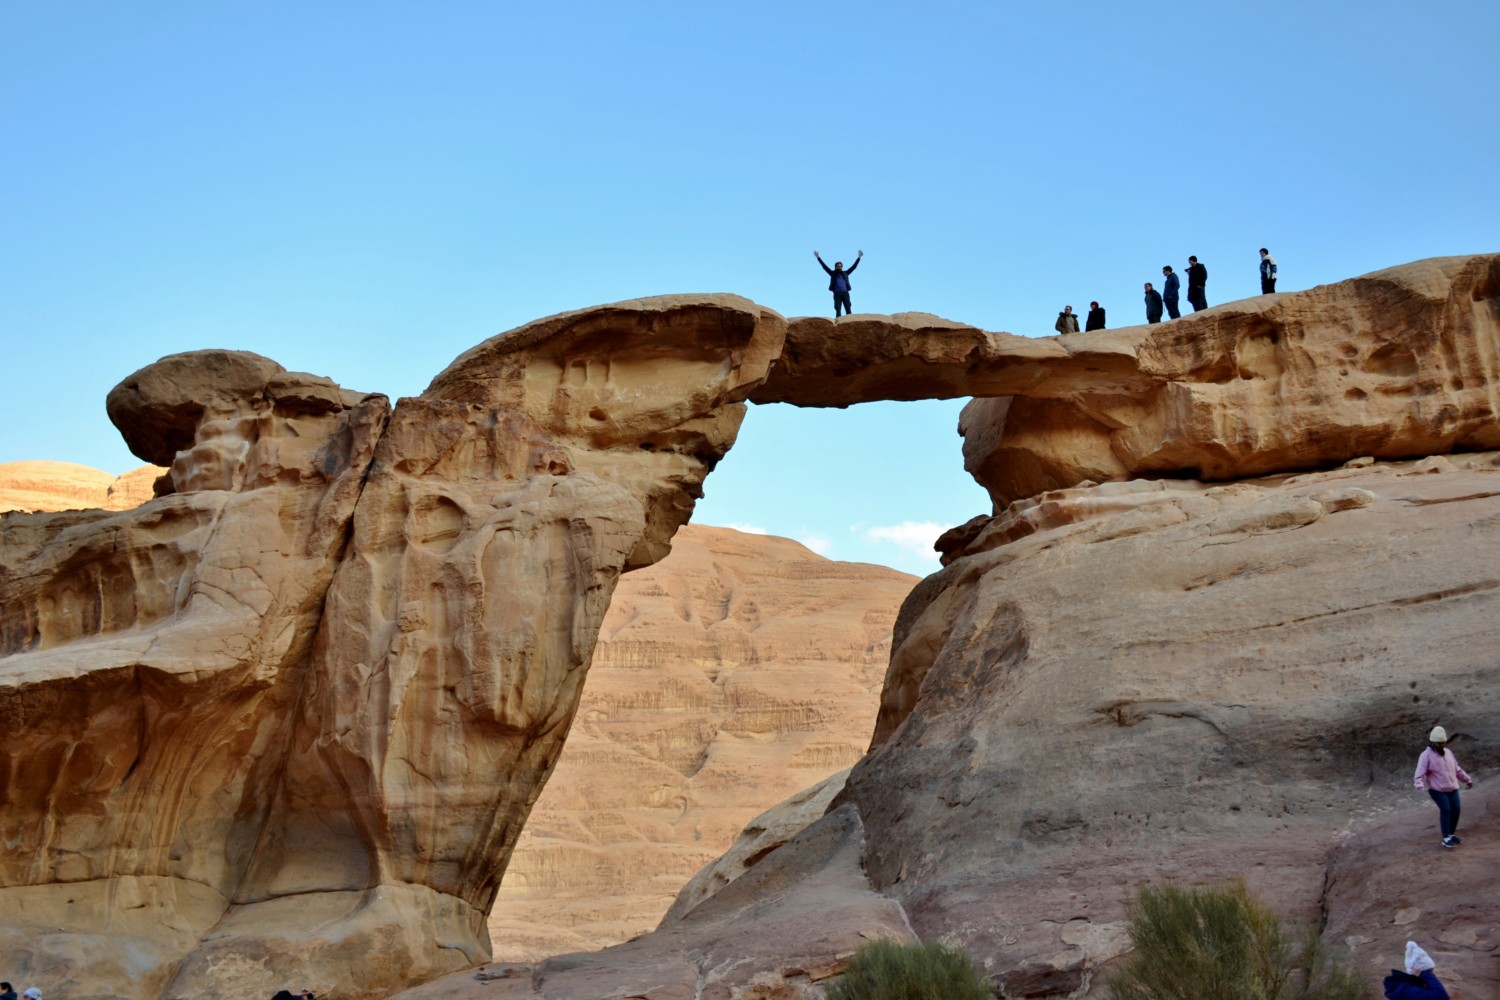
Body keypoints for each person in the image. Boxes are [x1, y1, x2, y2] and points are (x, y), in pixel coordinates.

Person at [1414, 726, 1473, 848]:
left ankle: (1451, 834)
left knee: (1456, 809)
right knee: (1446, 809)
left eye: (1443, 743)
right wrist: (1419, 784)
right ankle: (1446, 838)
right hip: (1437, 789)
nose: (1441, 745)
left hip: (1452, 787)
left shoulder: (1448, 753)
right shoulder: (1426, 755)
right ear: (1433, 742)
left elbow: (1457, 769)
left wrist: (1467, 780)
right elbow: (1419, 772)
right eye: (1439, 743)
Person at [1383, 941, 1449, 1000]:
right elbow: (1441, 996)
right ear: (1418, 971)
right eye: (1430, 971)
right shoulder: (1410, 991)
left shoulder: (1407, 988)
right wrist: (1425, 974)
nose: (1432, 974)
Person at [814, 250, 862, 318]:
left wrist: (859, 257)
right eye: (838, 266)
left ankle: (850, 320)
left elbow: (853, 267)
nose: (839, 267)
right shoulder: (832, 274)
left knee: (848, 308)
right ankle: (838, 321)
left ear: (842, 267)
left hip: (845, 293)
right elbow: (824, 267)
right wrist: (818, 257)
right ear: (835, 267)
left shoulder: (845, 273)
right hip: (837, 294)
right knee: (838, 309)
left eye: (840, 266)